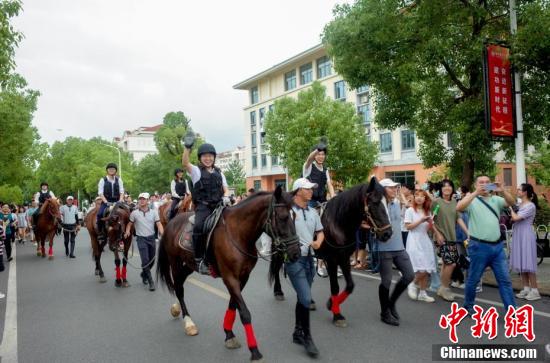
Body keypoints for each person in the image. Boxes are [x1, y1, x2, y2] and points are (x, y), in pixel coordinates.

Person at [456, 175, 516, 315]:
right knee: (474, 279)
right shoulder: (472, 199)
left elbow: (511, 202)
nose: (484, 185)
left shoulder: (496, 199)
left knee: (505, 281)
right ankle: (468, 306)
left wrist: (502, 190)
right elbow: (459, 207)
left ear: (491, 185)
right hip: (478, 247)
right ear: (476, 185)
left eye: (487, 183)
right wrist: (476, 193)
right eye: (481, 183)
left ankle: (512, 311)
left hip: (498, 247)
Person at [182, 132, 230, 275]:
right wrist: (187, 147)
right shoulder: (196, 171)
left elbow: (225, 188)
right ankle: (199, 259)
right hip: (204, 207)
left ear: (214, 158)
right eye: (205, 156)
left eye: (210, 156)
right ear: (200, 158)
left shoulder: (219, 172)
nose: (208, 158)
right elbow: (185, 163)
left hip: (219, 205)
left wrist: (226, 196)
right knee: (198, 226)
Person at [286, 178, 323, 358]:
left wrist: (318, 242)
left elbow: (320, 231)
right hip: (294, 260)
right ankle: (307, 338)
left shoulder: (313, 211)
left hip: (310, 259)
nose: (311, 191)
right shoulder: (287, 211)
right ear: (298, 191)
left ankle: (297, 332)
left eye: (311, 189)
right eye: (307, 189)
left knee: (303, 298)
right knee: (307, 298)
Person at [377, 178, 415, 326]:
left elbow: (408, 204)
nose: (394, 190)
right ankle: (384, 312)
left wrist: (401, 195)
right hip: (384, 248)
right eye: (391, 188)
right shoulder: (377, 206)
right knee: (386, 281)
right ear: (383, 189)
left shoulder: (397, 203)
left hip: (399, 247)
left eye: (395, 187)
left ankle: (391, 302)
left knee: (409, 275)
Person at [431, 179, 469, 302]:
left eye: (449, 186)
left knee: (446, 264)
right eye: (444, 186)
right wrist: (437, 234)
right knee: (451, 263)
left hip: (452, 237)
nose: (447, 188)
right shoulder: (436, 202)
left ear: (452, 188)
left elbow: (459, 219)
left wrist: (468, 232)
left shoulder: (454, 203)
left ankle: (442, 288)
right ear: (441, 189)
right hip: (442, 237)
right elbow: (431, 220)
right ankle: (445, 288)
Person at [125, 192, 164, 291]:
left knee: (152, 261)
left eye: (144, 199)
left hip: (151, 238)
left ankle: (143, 273)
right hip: (141, 239)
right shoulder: (134, 213)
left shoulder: (154, 212)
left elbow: (159, 224)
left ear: (147, 201)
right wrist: (127, 231)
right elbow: (129, 224)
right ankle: (150, 281)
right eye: (140, 199)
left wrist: (163, 234)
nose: (141, 200)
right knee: (145, 260)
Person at [510, 183, 540, 301]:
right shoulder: (519, 204)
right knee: (522, 262)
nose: (517, 191)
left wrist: (510, 210)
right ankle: (526, 288)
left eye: (519, 189)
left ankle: (535, 290)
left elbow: (516, 218)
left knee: (528, 263)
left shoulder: (530, 206)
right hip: (518, 234)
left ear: (525, 192)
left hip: (526, 235)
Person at [405, 190, 437, 303]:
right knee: (422, 268)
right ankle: (413, 284)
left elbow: (427, 228)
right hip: (414, 240)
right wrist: (421, 220)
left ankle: (423, 293)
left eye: (422, 196)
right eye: (417, 195)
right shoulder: (410, 210)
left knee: (428, 268)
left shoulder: (427, 211)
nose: (419, 198)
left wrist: (430, 223)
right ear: (414, 197)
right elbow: (408, 227)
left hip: (425, 240)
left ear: (425, 199)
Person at [97, 163, 125, 241]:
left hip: (117, 201)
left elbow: (122, 191)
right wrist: (106, 202)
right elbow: (100, 193)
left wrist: (120, 200)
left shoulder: (119, 179)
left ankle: (127, 231)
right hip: (106, 202)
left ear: (116, 171)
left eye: (113, 169)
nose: (111, 170)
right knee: (99, 214)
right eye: (110, 169)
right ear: (107, 170)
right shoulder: (103, 180)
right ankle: (101, 232)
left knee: (127, 211)